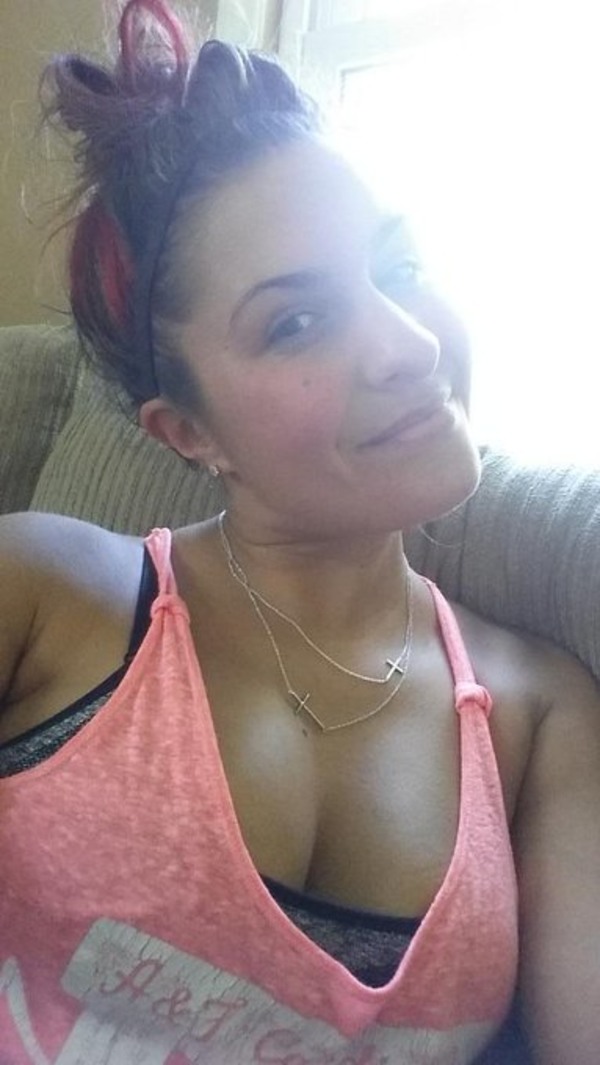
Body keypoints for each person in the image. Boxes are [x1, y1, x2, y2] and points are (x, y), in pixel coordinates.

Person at [0, 1, 598, 1062]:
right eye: (297, 321)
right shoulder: (44, 594)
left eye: (398, 267)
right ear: (189, 433)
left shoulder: (539, 714)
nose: (410, 347)